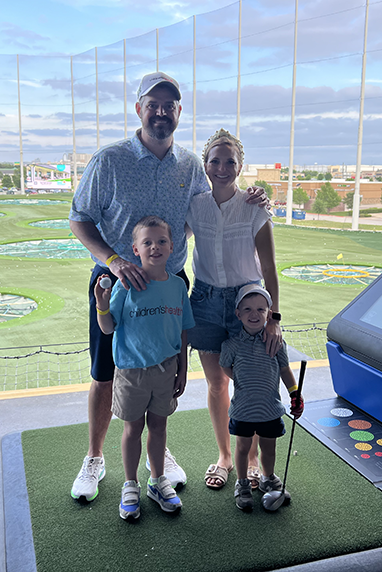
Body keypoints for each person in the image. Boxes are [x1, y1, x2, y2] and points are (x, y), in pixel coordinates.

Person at [69, 73, 267, 501]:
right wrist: (116, 261)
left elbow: (210, 207)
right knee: (106, 374)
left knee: (163, 371)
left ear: (178, 113)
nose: (161, 112)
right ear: (139, 109)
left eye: (169, 106)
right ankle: (94, 458)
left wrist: (255, 199)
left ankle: (157, 458)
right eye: (152, 104)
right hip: (117, 281)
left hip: (171, 282)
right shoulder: (109, 160)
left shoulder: (190, 164)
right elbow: (79, 219)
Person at [185, 128, 282, 491]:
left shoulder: (255, 206)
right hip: (207, 303)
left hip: (249, 305)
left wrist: (273, 319)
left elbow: (270, 269)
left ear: (240, 166)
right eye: (214, 160)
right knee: (216, 384)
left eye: (229, 161)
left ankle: (252, 459)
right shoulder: (194, 205)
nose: (221, 167)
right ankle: (225, 456)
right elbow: (172, 239)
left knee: (249, 384)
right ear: (205, 165)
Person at [94, 216, 193, 520]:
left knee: (159, 427)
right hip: (131, 372)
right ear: (135, 249)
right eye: (147, 242)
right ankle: (130, 484)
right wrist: (102, 304)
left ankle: (158, 480)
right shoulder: (126, 286)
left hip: (166, 370)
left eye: (161, 240)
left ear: (172, 246)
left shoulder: (177, 286)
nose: (155, 247)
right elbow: (109, 328)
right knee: (133, 428)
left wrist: (183, 368)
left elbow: (183, 330)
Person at [219, 284, 303, 511]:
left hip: (270, 408)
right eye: (247, 309)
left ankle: (267, 477)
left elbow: (285, 370)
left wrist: (294, 393)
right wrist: (241, 379)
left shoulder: (276, 343)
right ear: (238, 314)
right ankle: (242, 482)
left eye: (260, 309)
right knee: (243, 447)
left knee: (269, 447)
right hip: (243, 409)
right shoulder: (231, 345)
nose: (254, 314)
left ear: (269, 313)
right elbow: (226, 366)